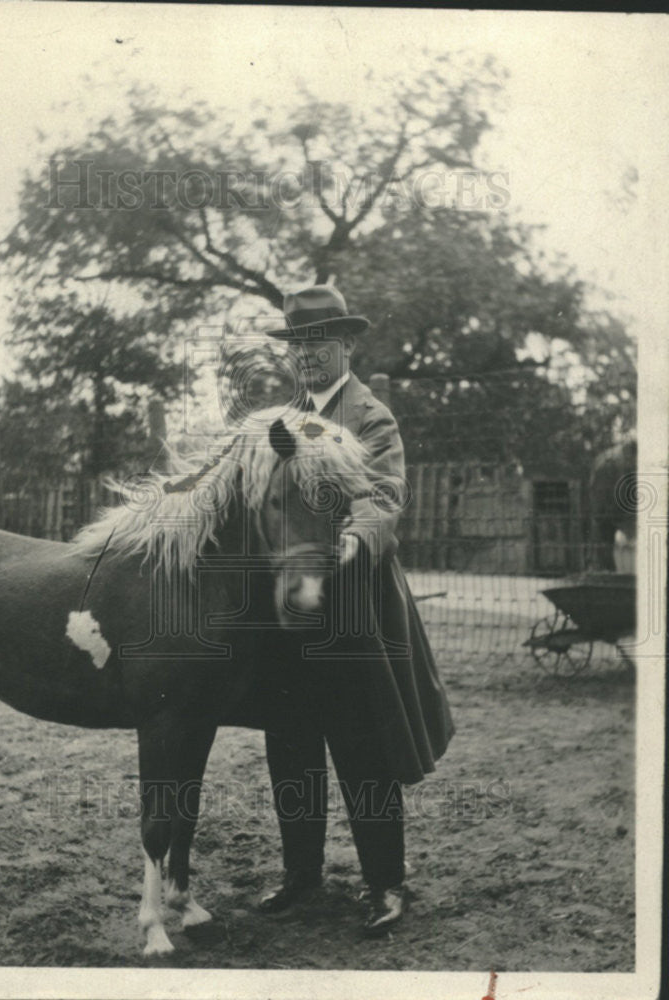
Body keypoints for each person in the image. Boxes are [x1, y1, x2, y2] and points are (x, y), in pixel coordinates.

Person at [257, 284, 455, 937]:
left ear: (347, 344)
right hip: (288, 606)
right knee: (289, 740)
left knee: (360, 743)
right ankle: (302, 876)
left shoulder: (370, 417)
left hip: (351, 601)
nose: (306, 354)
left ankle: (386, 884)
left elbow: (382, 498)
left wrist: (346, 547)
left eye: (318, 341)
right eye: (297, 343)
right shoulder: (278, 420)